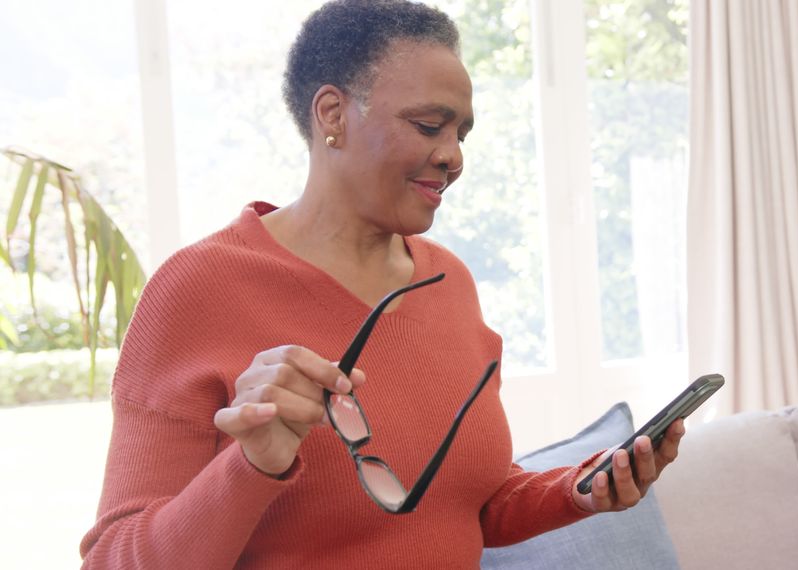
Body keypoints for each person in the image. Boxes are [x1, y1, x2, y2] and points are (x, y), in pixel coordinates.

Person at [80, 1, 685, 567]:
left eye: (462, 135)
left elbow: (460, 504)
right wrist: (251, 463)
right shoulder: (196, 289)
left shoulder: (450, 281)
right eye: (428, 126)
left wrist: (578, 491)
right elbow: (114, 557)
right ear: (332, 115)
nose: (453, 157)